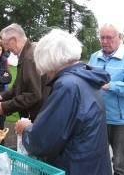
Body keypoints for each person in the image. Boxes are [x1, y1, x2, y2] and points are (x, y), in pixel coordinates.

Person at [15, 29, 112, 175]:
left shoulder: (67, 86)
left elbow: (42, 142)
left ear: (49, 58)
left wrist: (26, 129)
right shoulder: (85, 78)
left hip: (75, 166)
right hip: (92, 164)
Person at [88, 24, 124, 175]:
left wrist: (111, 85)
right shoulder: (95, 57)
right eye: (102, 37)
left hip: (121, 120)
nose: (105, 41)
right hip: (97, 118)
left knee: (120, 165)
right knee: (95, 160)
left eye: (109, 38)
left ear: (120, 38)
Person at [0, 23, 48, 122]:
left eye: (6, 44)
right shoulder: (28, 51)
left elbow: (34, 94)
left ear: (13, 40)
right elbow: (19, 85)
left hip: (38, 116)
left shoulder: (29, 57)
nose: (6, 49)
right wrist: (1, 96)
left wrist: (4, 107)